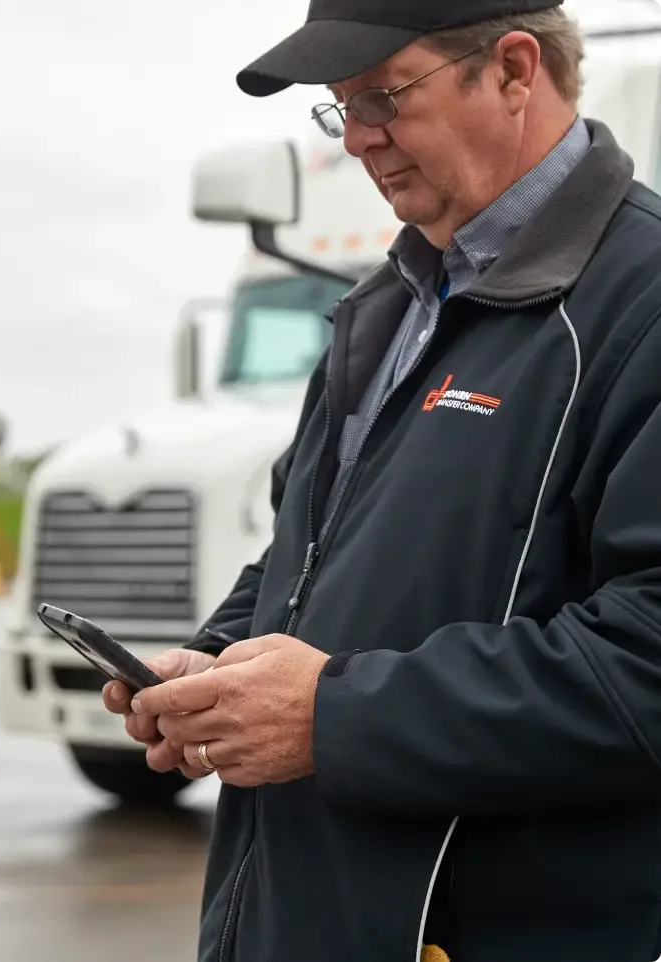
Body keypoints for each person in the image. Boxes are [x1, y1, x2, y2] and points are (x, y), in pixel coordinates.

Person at [104, 0, 661, 959]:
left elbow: (648, 655)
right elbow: (307, 552)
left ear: (516, 70)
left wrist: (333, 716)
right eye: (338, 108)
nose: (357, 139)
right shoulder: (384, 306)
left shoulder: (639, 307)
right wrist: (220, 663)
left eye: (380, 98)